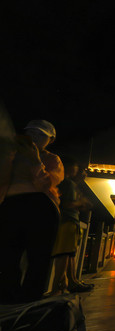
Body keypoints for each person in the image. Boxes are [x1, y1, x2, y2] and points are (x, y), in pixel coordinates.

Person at [0, 120, 63, 303]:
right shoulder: (11, 155)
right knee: (7, 256)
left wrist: (35, 159)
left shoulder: (52, 160)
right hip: (11, 204)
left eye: (40, 134)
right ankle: (7, 299)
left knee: (39, 258)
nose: (34, 137)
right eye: (31, 133)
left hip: (41, 206)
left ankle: (30, 302)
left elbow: (45, 184)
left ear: (50, 140)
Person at [49, 157, 93, 295]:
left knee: (70, 254)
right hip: (67, 221)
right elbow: (66, 204)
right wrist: (81, 204)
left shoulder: (71, 184)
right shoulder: (67, 184)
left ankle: (71, 281)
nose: (84, 173)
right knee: (64, 254)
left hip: (70, 221)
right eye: (79, 168)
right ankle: (57, 287)